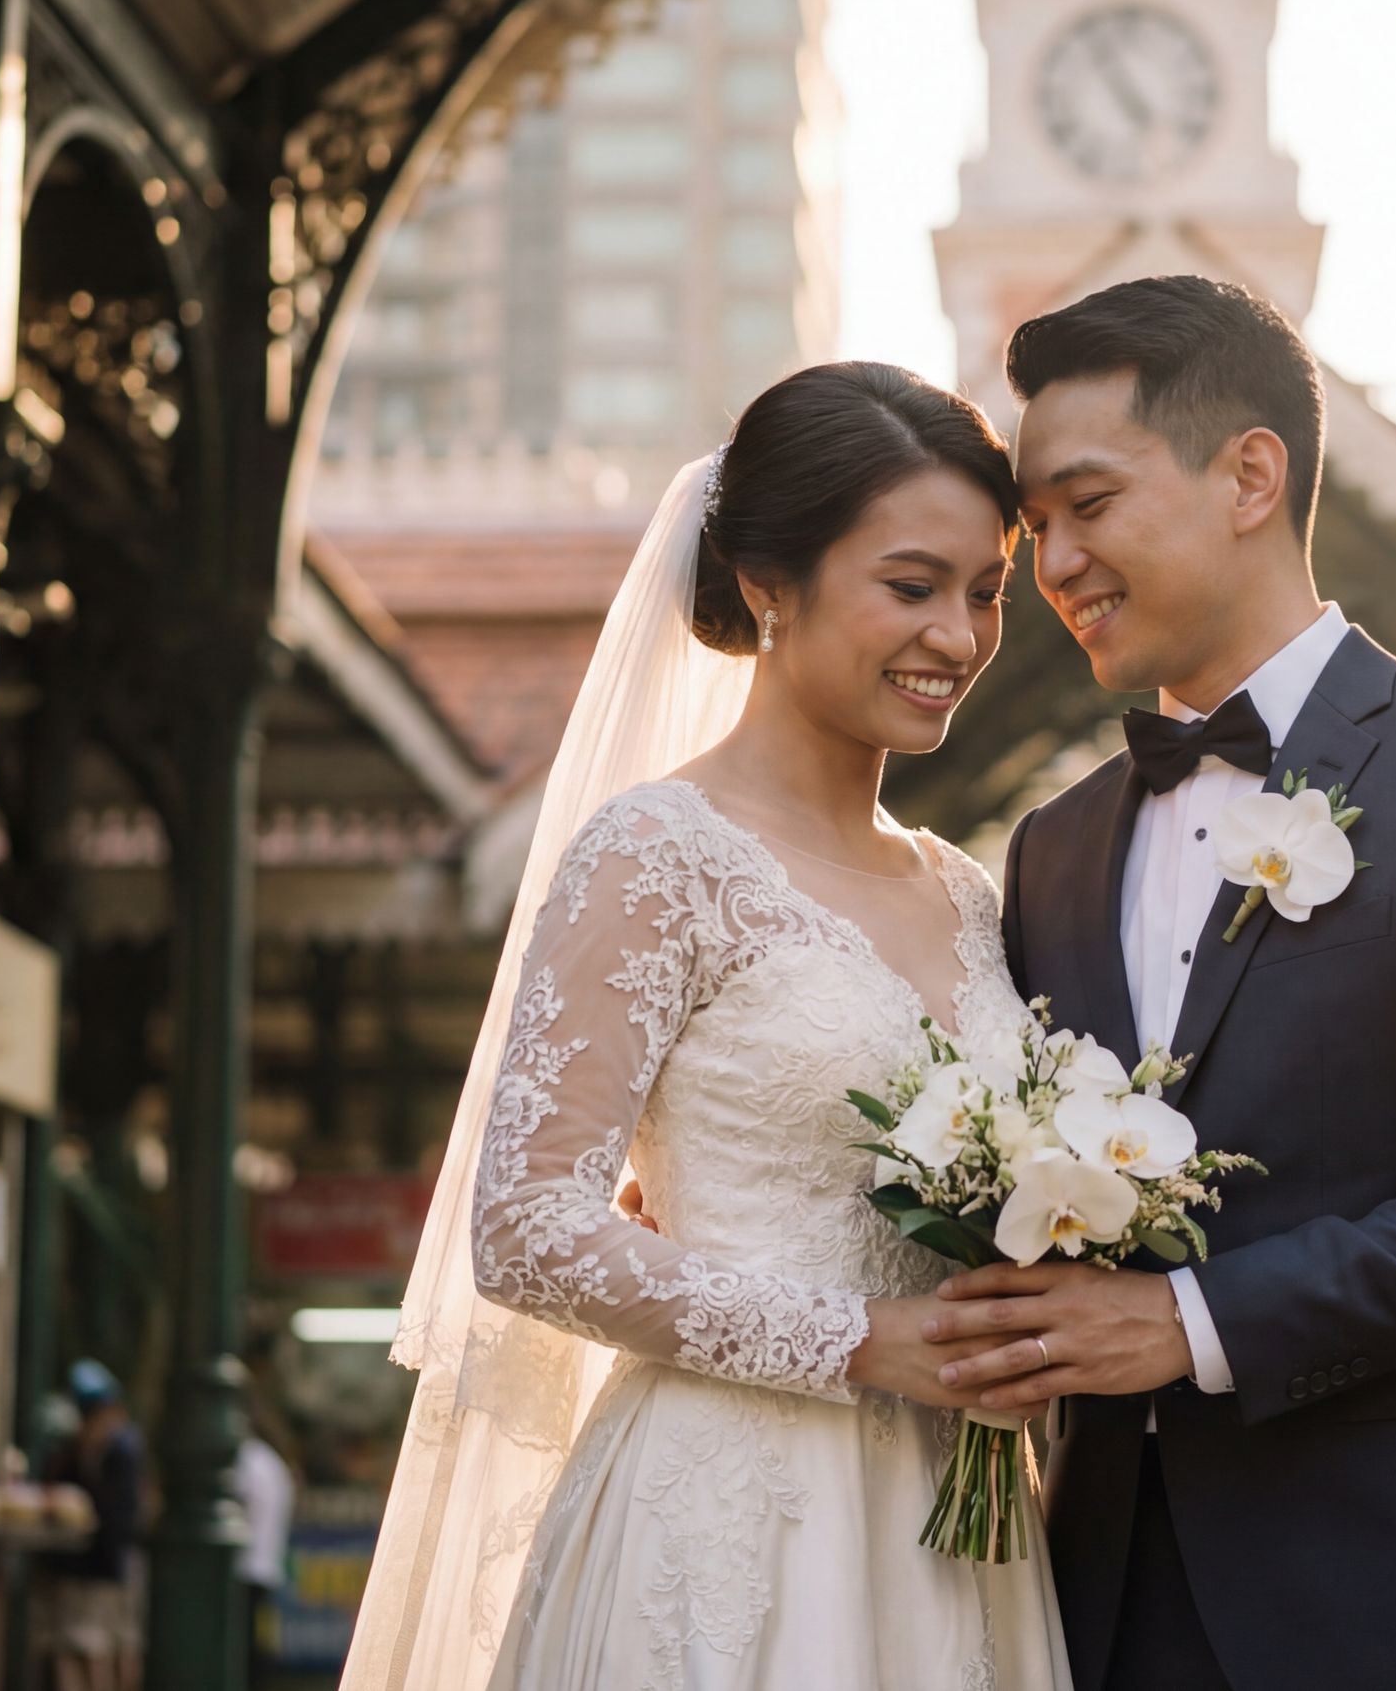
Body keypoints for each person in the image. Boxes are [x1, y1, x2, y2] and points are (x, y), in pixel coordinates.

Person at [928, 275, 1396, 1689]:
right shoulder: (1052, 850)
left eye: (1088, 504)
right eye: (1036, 528)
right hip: (1113, 1601)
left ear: (1251, 473)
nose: (1053, 563)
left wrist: (1189, 1324)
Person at [341, 363, 1067, 1690]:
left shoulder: (965, 891)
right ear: (768, 585)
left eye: (986, 593)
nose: (957, 637)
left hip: (958, 1533)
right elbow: (525, 1228)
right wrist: (864, 1342)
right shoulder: (656, 855)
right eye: (911, 586)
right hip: (731, 1513)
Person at [44, 1359, 145, 1691]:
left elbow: (117, 1515)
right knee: (79, 1647)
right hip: (85, 1566)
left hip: (110, 1566)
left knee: (109, 1648)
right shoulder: (74, 1450)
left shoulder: (122, 1450)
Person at [234, 1400, 297, 1679]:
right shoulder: (275, 1463)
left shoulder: (247, 1460)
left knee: (247, 1650)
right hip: (269, 1566)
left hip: (247, 1567)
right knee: (261, 1645)